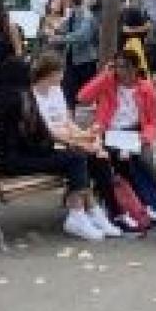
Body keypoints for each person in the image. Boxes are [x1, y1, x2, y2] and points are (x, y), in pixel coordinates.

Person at [0, 61, 114, 242]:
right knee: (76, 159)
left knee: (78, 158)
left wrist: (78, 142)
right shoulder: (22, 100)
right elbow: (42, 134)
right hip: (16, 162)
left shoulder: (0, 99)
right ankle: (79, 215)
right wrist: (80, 143)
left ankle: (90, 212)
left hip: (16, 158)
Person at [29, 52, 129, 236]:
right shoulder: (33, 96)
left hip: (68, 140)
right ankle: (88, 213)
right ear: (49, 73)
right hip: (52, 145)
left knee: (100, 155)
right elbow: (48, 133)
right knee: (86, 156)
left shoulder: (56, 91)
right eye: (60, 72)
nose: (63, 76)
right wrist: (81, 141)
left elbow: (67, 122)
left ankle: (103, 212)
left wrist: (86, 135)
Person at [78, 49, 156, 214]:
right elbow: (82, 97)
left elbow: (153, 121)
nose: (118, 71)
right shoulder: (108, 82)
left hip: (134, 132)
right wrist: (104, 75)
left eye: (123, 67)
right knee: (103, 158)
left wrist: (145, 137)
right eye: (116, 66)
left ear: (134, 69)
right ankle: (111, 201)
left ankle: (152, 200)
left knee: (144, 159)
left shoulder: (146, 88)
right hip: (108, 131)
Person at [62, 0, 99, 109]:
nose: (63, 1)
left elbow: (83, 36)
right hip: (72, 58)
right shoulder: (72, 13)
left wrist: (59, 38)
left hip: (85, 60)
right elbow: (65, 27)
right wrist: (54, 29)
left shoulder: (86, 15)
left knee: (89, 93)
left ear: (72, 0)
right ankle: (70, 116)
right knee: (69, 91)